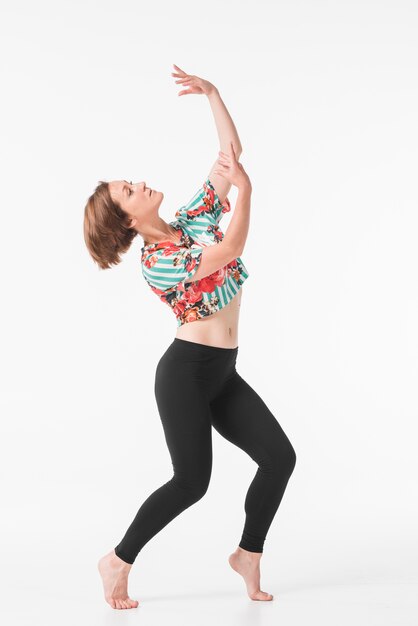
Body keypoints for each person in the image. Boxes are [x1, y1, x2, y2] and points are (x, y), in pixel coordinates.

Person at [83, 64, 296, 610]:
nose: (139, 182)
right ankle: (118, 559)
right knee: (191, 482)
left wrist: (213, 94)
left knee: (279, 457)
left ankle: (248, 553)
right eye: (129, 190)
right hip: (186, 373)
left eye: (130, 180)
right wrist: (247, 198)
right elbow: (227, 254)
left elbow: (230, 155)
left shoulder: (192, 218)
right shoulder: (158, 261)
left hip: (223, 370)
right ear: (127, 220)